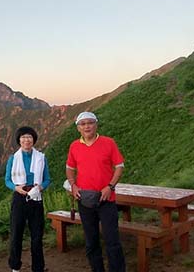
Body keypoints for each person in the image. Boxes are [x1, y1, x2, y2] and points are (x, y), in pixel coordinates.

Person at [66, 111, 125, 272]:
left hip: (106, 199)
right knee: (91, 241)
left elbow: (119, 167)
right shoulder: (74, 146)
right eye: (83, 124)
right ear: (78, 128)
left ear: (96, 124)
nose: (87, 126)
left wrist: (110, 186)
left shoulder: (109, 143)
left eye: (90, 122)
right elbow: (69, 169)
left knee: (112, 240)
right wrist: (73, 185)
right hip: (84, 199)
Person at [5, 126, 51, 272]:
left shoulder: (41, 158)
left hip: (36, 198)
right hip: (19, 197)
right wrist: (16, 188)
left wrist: (40, 187)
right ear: (19, 140)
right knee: (16, 234)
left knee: (37, 236)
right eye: (23, 137)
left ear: (33, 140)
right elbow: (7, 180)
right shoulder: (13, 159)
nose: (27, 140)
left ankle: (38, 268)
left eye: (29, 137)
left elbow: (47, 179)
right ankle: (15, 267)